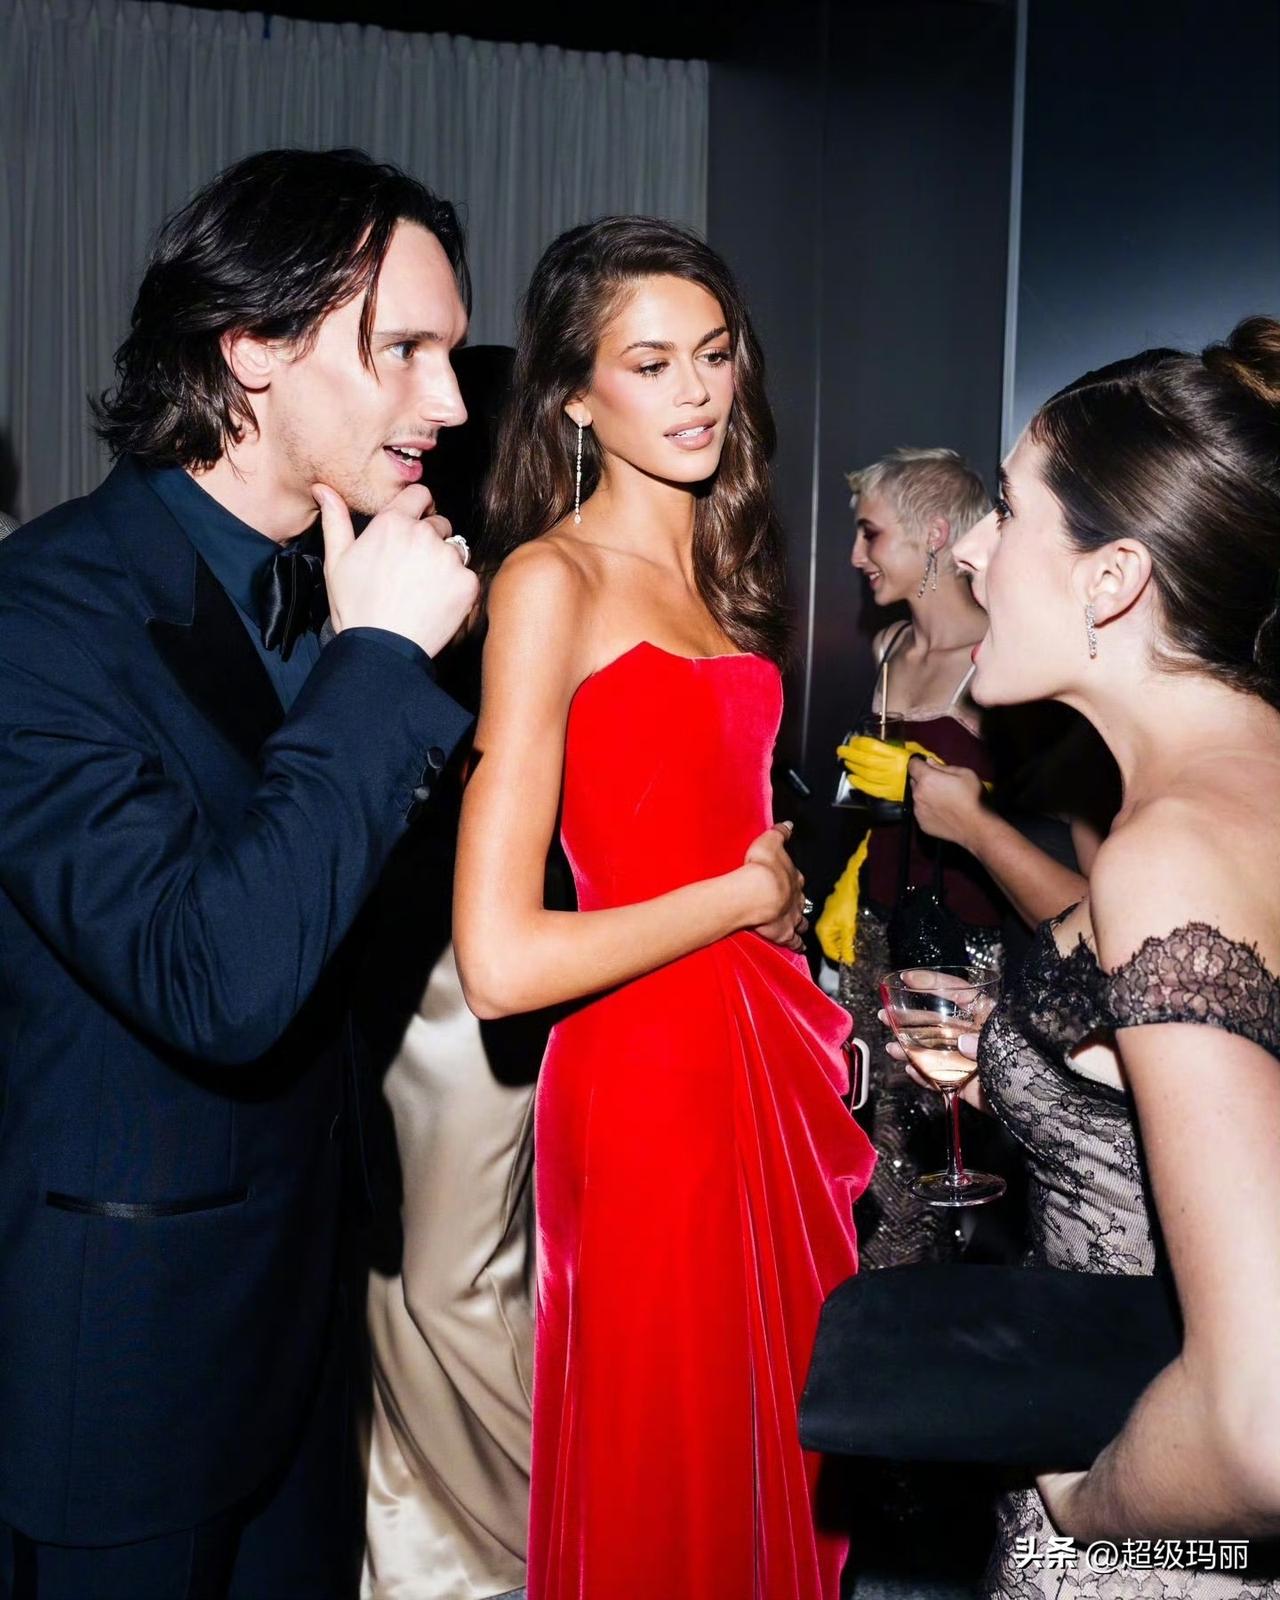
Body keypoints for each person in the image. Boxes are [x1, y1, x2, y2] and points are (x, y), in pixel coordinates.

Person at [0, 148, 478, 1598]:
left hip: (304, 1343)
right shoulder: (41, 619)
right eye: (402, 350)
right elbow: (214, 980)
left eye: (451, 353)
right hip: (122, 1369)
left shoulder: (356, 580)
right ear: (254, 345)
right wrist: (378, 665)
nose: (451, 403)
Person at [452, 217, 876, 1600]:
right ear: (576, 396)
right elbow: (499, 959)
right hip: (642, 1087)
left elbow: (701, 824)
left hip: (757, 1049)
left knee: (772, 1451)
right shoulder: (548, 581)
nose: (696, 393)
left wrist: (771, 910)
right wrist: (735, 894)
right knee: (669, 1474)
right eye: (650, 364)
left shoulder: (723, 573)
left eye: (713, 354)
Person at [948, 317, 1280, 1596]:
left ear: (1111, 578)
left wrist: (1090, 1507)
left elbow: (1256, 1427)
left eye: (1004, 509)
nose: (968, 549)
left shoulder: (1168, 852)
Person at [360, 346, 535, 1600]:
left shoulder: (519, 590)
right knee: (395, 1285)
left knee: (451, 1283)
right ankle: (415, 1563)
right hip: (386, 972)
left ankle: (575, 1537)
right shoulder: (401, 574)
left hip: (462, 987)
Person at [816, 448, 1010, 1268]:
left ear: (933, 535)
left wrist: (942, 782)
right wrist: (845, 879)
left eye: (871, 534)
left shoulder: (998, 655)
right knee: (884, 1140)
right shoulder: (890, 647)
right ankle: (893, 1301)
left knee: (973, 1138)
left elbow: (1038, 817)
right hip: (878, 931)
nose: (856, 556)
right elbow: (872, 811)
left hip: (968, 946)